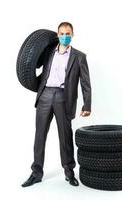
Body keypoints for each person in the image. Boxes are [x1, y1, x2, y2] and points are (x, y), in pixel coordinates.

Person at [21, 22, 92, 187]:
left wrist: (87, 105)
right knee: (40, 136)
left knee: (65, 137)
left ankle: (69, 173)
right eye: (62, 33)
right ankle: (36, 173)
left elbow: (85, 83)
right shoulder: (47, 53)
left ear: (72, 35)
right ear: (57, 35)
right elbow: (36, 67)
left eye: (68, 33)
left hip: (63, 97)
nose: (65, 36)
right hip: (45, 95)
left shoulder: (79, 57)